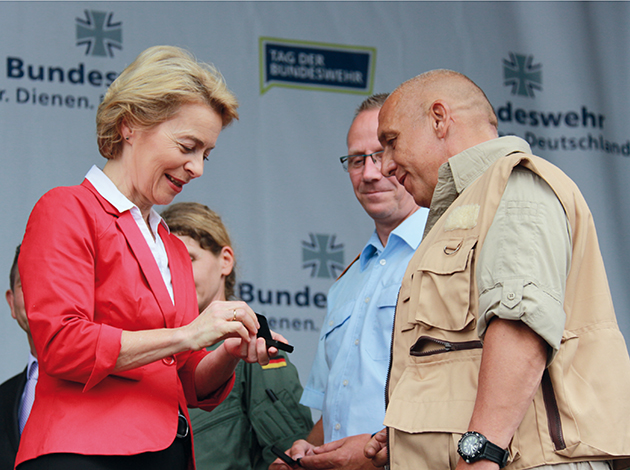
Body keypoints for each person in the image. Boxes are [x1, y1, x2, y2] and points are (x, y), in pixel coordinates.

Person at [16, 45, 281, 470]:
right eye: (187, 146)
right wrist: (188, 335)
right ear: (130, 126)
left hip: (167, 455)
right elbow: (62, 344)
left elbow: (186, 378)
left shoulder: (172, 246)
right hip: (85, 455)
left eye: (205, 155)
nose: (197, 168)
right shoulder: (66, 209)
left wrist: (228, 350)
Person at [364, 69, 630, 470]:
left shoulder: (512, 186)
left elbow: (520, 329)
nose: (384, 165)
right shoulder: (470, 207)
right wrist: (411, 433)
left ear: (439, 118)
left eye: (390, 142)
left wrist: (482, 453)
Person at [271, 94, 428, 470]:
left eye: (381, 155)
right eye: (357, 160)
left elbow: (472, 393)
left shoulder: (447, 258)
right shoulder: (347, 283)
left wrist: (383, 454)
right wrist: (305, 454)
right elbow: (334, 412)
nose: (370, 173)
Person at [161, 201, 314, 470]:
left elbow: (290, 454)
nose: (175, 274)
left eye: (189, 258)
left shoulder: (250, 347)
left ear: (225, 261)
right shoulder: (153, 348)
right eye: (164, 263)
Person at [0, 245, 37, 470]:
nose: (39, 292)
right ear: (12, 302)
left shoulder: (111, 387)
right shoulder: (3, 397)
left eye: (49, 280)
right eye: (27, 284)